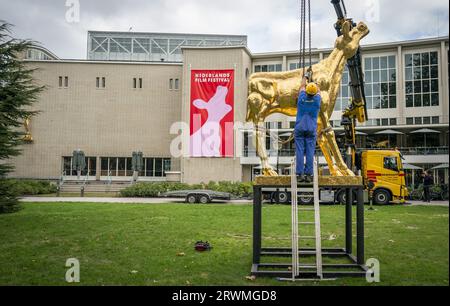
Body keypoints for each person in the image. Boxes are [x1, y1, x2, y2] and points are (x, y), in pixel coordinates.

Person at [295, 70, 321, 183]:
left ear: (306, 91)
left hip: (300, 127)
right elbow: (318, 90)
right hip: (311, 129)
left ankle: (299, 174)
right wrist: (315, 82)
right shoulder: (317, 100)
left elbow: (301, 86)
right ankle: (309, 175)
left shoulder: (301, 98)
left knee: (300, 151)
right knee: (310, 151)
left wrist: (306, 76)